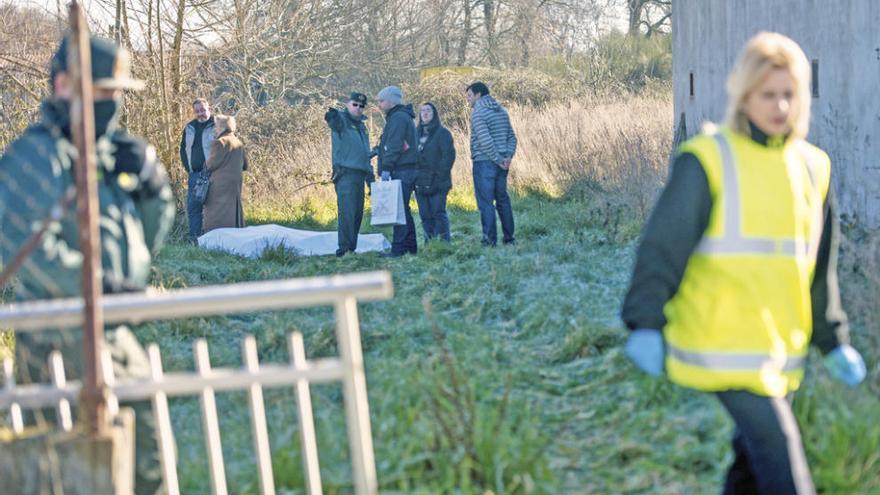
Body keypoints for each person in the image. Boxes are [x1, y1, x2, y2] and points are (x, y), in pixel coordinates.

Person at [621, 32, 867, 495]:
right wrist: (645, 321)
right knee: (784, 471)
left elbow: (818, 268)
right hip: (722, 344)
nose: (779, 107)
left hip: (779, 350)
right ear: (744, 96)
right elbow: (662, 247)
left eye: (789, 95)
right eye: (767, 95)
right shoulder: (707, 160)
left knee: (749, 474)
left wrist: (833, 340)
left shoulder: (815, 168)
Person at [0, 34, 175, 493]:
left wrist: (152, 189)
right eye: (102, 91)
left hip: (115, 337)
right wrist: (103, 287)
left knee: (147, 468)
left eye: (117, 93)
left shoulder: (106, 153)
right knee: (68, 478)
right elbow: (33, 255)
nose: (112, 102)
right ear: (64, 84)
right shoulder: (34, 157)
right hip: (58, 345)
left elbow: (142, 245)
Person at [465, 81, 517, 246]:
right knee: (502, 200)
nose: (468, 100)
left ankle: (489, 239)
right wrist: (507, 157)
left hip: (484, 162)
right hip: (502, 163)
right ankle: (509, 238)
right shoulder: (501, 111)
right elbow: (512, 137)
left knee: (485, 202)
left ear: (478, 94)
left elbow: (484, 140)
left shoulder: (478, 113)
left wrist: (497, 159)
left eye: (469, 96)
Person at [325, 92, 374, 256]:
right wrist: (331, 116)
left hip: (361, 174)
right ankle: (344, 249)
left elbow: (365, 153)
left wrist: (370, 177)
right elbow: (333, 122)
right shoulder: (342, 120)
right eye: (355, 105)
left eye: (361, 106)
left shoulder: (362, 127)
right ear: (348, 104)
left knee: (357, 214)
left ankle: (351, 248)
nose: (358, 108)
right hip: (345, 174)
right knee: (347, 212)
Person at [376, 85, 419, 256]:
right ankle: (410, 247)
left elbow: (394, 145)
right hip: (406, 169)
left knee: (398, 211)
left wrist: (386, 168)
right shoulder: (401, 117)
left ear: (391, 101)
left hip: (402, 170)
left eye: (381, 101)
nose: (379, 104)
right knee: (404, 210)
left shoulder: (398, 118)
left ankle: (399, 250)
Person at [414, 102, 456, 241]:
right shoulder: (415, 134)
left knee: (438, 212)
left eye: (428, 110)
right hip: (420, 180)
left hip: (438, 180)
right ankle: (429, 243)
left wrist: (438, 174)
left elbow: (448, 156)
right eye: (422, 111)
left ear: (434, 114)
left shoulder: (443, 133)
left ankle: (443, 243)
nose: (425, 113)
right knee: (425, 214)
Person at [203, 114, 247, 233]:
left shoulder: (220, 142)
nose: (215, 128)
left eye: (216, 126)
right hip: (235, 184)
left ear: (222, 127)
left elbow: (211, 165)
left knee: (216, 213)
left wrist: (204, 163)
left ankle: (216, 240)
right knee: (232, 212)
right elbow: (245, 165)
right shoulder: (238, 142)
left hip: (219, 185)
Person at [179, 97, 215, 241]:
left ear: (209, 109)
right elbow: (183, 149)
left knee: (213, 207)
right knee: (193, 208)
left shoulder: (217, 125)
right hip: (194, 174)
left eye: (203, 110)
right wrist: (188, 168)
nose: (200, 113)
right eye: (197, 111)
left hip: (213, 173)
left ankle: (213, 240)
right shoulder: (189, 128)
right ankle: (195, 240)